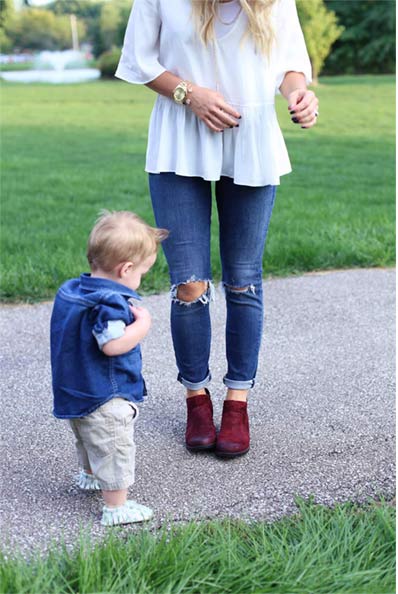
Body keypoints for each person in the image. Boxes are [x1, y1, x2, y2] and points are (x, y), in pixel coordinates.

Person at [115, 0, 316, 457]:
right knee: (189, 284)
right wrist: (191, 94)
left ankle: (237, 404)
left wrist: (298, 94)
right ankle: (196, 399)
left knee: (243, 282)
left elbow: (290, 64)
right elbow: (139, 61)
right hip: (179, 136)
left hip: (251, 136)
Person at [50, 211, 167, 526]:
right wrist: (143, 324)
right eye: (142, 272)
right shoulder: (111, 303)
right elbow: (112, 344)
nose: (140, 279)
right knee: (113, 445)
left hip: (73, 387)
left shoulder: (72, 291)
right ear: (126, 269)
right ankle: (116, 507)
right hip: (105, 394)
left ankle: (90, 476)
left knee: (88, 437)